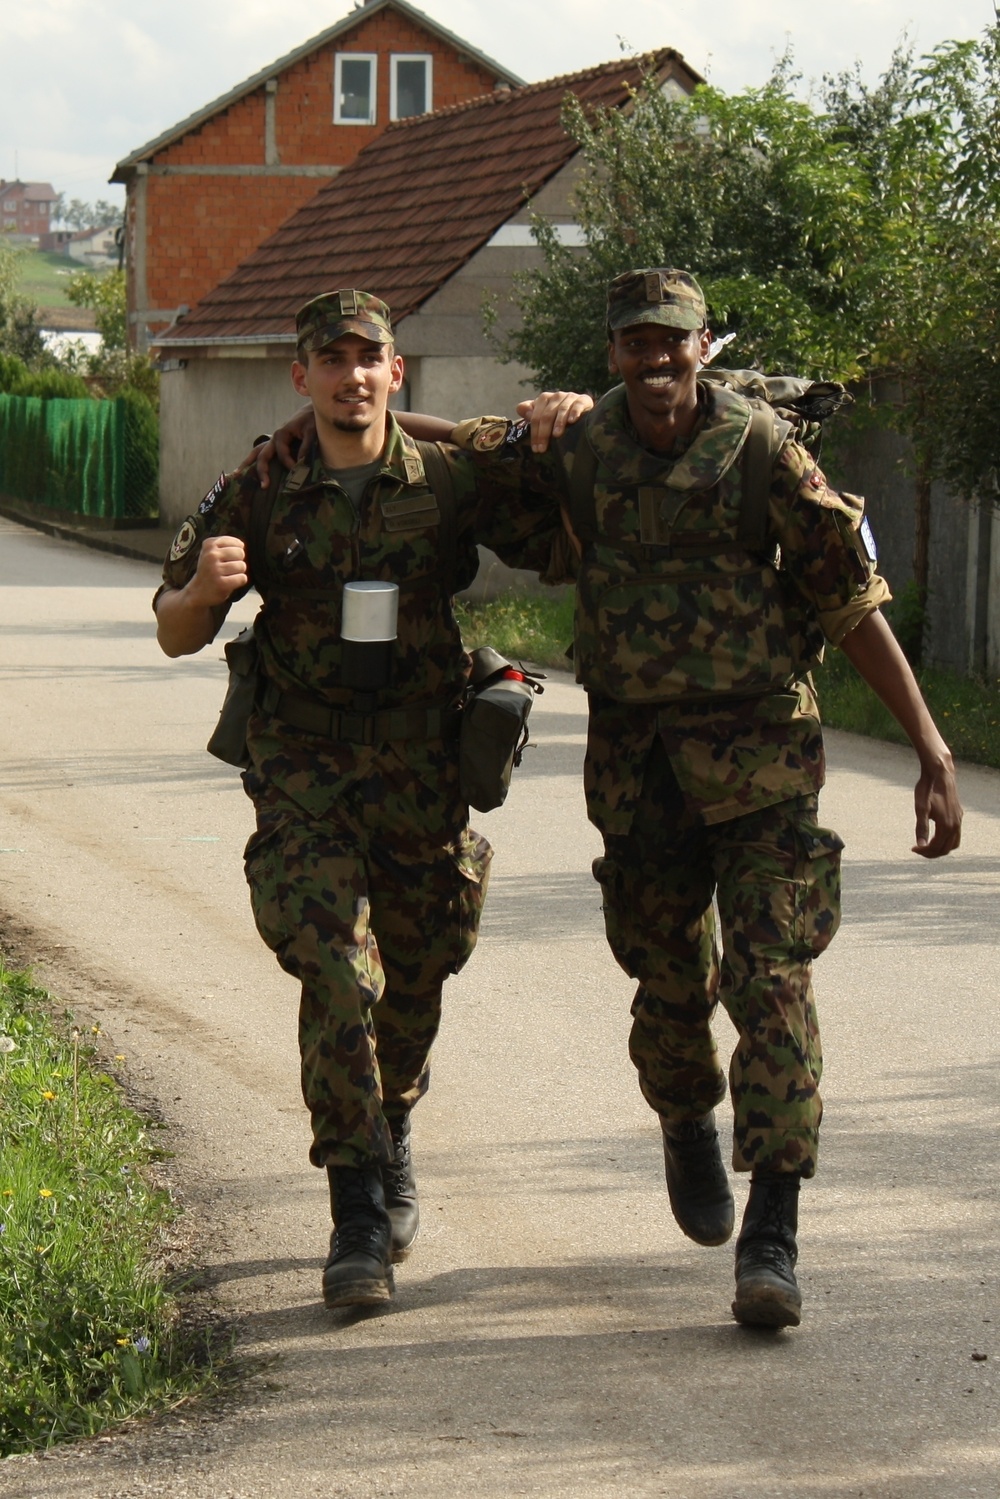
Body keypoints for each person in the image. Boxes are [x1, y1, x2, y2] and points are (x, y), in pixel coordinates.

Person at [257, 268, 962, 1329]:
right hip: (642, 775)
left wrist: (931, 746)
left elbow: (850, 600)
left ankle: (772, 1235)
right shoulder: (577, 454)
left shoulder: (766, 451)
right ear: (614, 353)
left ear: (704, 345)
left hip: (764, 762)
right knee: (666, 981)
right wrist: (303, 428)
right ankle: (685, 1110)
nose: (655, 360)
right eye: (634, 344)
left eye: (672, 342)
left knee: (769, 978)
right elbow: (431, 442)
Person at [153, 289, 578, 1311]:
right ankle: (353, 1212)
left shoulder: (447, 475)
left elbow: (566, 539)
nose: (351, 374)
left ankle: (393, 1125)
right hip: (304, 775)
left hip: (423, 773)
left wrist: (566, 420)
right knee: (339, 969)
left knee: (420, 971)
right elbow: (171, 627)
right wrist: (206, 592)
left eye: (368, 356)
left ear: (397, 371)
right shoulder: (257, 489)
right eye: (329, 358)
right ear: (300, 375)